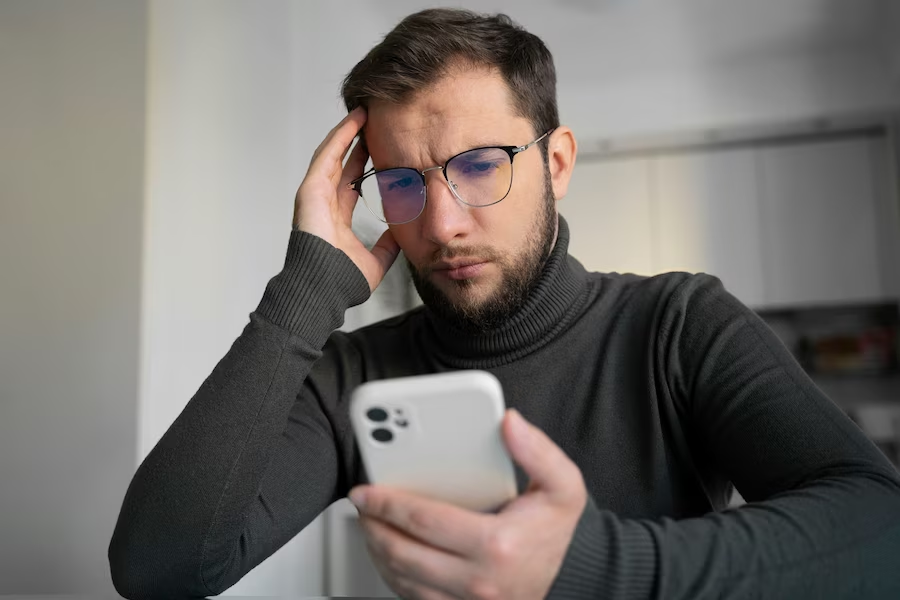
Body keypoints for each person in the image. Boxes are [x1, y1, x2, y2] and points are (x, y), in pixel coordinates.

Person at [108, 8, 900, 599]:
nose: (443, 223)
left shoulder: (679, 326)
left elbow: (879, 527)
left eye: (480, 166)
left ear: (556, 162)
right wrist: (304, 290)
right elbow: (159, 568)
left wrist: (591, 568)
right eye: (403, 183)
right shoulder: (355, 375)